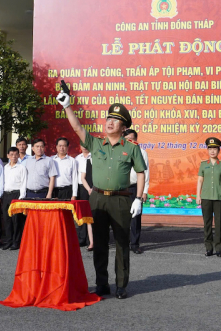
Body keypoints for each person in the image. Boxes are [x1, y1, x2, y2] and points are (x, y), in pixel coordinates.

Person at [57, 92, 146, 300]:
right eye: (109, 118)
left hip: (122, 199)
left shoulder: (131, 148)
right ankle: (102, 283)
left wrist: (139, 199)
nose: (110, 122)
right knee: (99, 242)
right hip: (97, 198)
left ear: (124, 128)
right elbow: (77, 128)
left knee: (122, 243)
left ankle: (121, 286)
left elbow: (141, 173)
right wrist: (67, 106)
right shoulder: (95, 144)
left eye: (116, 120)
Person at [196, 137, 221, 258]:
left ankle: (219, 248)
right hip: (205, 197)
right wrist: (198, 195)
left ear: (219, 150)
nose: (212, 151)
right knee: (207, 224)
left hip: (219, 197)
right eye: (210, 148)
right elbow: (200, 180)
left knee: (219, 223)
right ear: (207, 150)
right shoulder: (203, 164)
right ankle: (209, 248)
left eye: (214, 148)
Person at [123, 129, 149, 254]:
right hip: (121, 188)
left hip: (135, 188)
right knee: (122, 217)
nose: (130, 141)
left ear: (136, 139)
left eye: (132, 138)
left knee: (135, 217)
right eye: (127, 138)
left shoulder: (142, 152)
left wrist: (144, 191)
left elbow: (146, 173)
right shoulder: (119, 152)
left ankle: (134, 244)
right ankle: (123, 242)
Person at [1, 147, 26, 250]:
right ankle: (8, 240)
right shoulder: (5, 167)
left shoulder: (21, 168)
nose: (14, 156)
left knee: (16, 220)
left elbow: (24, 183)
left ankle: (16, 242)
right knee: (7, 219)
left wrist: (21, 197)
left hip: (16, 195)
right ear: (8, 156)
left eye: (16, 154)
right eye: (11, 154)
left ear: (18, 155)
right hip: (6, 195)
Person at [75, 147, 94, 250]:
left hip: (97, 189)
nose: (85, 147)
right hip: (83, 188)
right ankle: (82, 238)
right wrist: (89, 189)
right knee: (83, 214)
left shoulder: (96, 157)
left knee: (94, 215)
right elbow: (81, 177)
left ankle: (92, 241)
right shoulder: (77, 158)